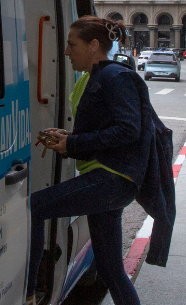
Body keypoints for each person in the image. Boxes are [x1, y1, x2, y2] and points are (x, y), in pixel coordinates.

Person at [26, 16, 161, 305]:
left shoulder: (115, 77)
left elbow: (128, 129)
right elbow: (105, 128)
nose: (66, 52)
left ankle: (29, 292)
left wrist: (74, 143)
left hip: (112, 178)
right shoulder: (96, 77)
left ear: (94, 45)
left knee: (35, 207)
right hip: (111, 179)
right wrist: (68, 138)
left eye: (72, 44)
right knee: (111, 271)